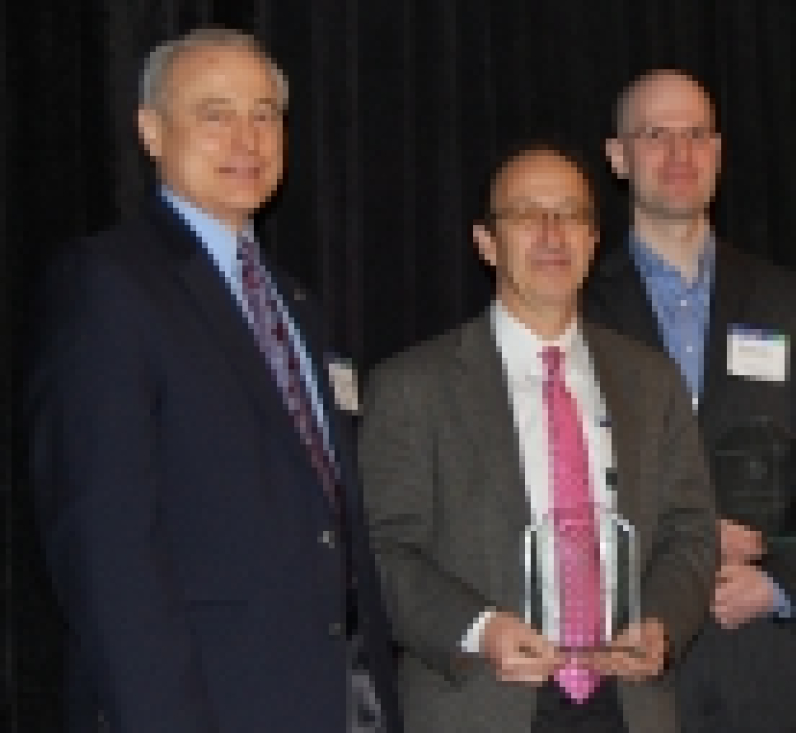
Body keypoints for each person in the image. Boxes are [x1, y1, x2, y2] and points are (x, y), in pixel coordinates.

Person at [26, 28, 400, 733]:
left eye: (264, 114)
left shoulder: (297, 304)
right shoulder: (108, 284)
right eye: (215, 113)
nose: (247, 138)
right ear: (151, 131)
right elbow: (105, 549)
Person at [358, 143, 718, 733]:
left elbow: (689, 530)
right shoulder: (411, 387)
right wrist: (480, 629)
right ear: (486, 242)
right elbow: (384, 550)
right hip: (481, 697)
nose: (553, 235)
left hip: (628, 703)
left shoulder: (651, 380)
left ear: (594, 238)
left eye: (571, 214)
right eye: (527, 214)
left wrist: (660, 623)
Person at [583, 69, 796, 732]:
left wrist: (778, 582)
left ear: (718, 151)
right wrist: (684, 541)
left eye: (697, 134)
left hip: (771, 671)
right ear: (618, 157)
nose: (680, 154)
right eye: (656, 134)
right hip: (631, 663)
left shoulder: (789, 300)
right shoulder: (578, 306)